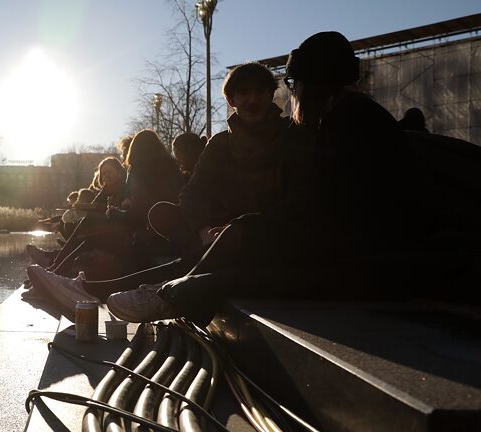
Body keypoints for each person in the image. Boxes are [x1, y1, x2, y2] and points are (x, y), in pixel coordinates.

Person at [107, 31, 478, 324]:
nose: (293, 97)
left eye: (293, 87)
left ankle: (173, 294)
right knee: (245, 237)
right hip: (370, 250)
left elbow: (323, 204)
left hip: (382, 260)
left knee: (248, 248)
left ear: (310, 86)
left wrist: (255, 228)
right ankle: (171, 290)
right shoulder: (347, 115)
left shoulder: (348, 119)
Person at [28, 62, 313, 311]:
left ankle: (104, 290)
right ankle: (88, 284)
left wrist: (241, 228)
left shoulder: (290, 137)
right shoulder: (221, 144)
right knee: (165, 216)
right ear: (232, 100)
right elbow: (192, 192)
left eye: (260, 92)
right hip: (216, 232)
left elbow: (300, 198)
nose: (253, 100)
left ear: (270, 95)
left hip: (264, 234)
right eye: (244, 93)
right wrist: (202, 228)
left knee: (119, 233)